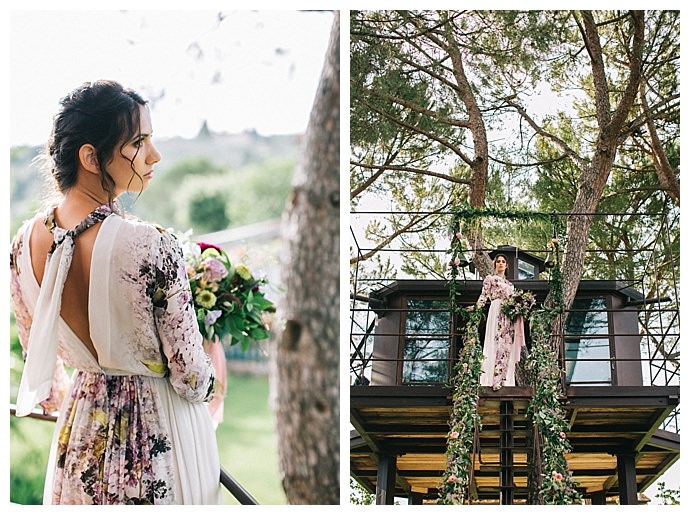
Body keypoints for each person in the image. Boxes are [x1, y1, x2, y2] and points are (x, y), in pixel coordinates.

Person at [9, 80, 222, 504]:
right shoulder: (152, 245)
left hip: (81, 437)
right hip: (157, 440)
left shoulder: (21, 245)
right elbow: (193, 379)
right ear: (90, 156)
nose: (154, 156)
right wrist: (215, 366)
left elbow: (44, 373)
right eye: (138, 142)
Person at [474, 254, 525, 390]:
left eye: (503, 262)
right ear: (495, 264)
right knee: (494, 342)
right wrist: (475, 309)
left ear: (506, 265)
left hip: (508, 315)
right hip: (496, 310)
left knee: (507, 344)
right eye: (498, 262)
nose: (501, 264)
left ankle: (504, 381)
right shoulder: (490, 279)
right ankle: (491, 379)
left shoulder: (510, 285)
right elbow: (483, 297)